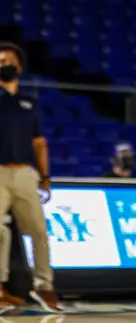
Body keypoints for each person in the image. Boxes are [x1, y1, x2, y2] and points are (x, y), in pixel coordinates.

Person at [0, 43, 62, 312]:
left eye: (7, 61)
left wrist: (45, 177)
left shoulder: (29, 103)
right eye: (0, 61)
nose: (3, 65)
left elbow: (39, 143)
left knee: (39, 231)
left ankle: (44, 287)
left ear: (19, 67)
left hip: (26, 173)